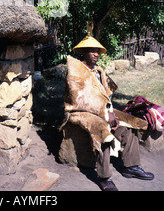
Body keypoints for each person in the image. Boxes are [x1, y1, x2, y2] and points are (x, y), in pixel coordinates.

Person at [64, 26, 154, 191]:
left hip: (102, 110)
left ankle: (131, 167)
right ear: (83, 52)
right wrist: (107, 114)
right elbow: (82, 101)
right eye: (92, 50)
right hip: (80, 112)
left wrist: (111, 110)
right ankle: (104, 177)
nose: (96, 54)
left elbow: (106, 94)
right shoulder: (75, 72)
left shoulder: (98, 71)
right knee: (103, 130)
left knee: (131, 124)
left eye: (98, 51)